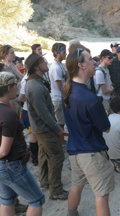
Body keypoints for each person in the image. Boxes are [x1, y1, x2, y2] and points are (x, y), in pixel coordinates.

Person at [62, 48, 114, 216]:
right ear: (81, 65)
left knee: (77, 185)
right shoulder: (90, 98)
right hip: (91, 153)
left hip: (74, 150)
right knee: (101, 195)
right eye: (90, 59)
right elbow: (106, 127)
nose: (95, 61)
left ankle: (71, 213)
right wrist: (103, 114)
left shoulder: (67, 91)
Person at [0, 72, 45, 216]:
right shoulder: (8, 114)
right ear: (8, 87)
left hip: (3, 166)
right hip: (11, 165)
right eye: (16, 85)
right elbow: (3, 151)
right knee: (36, 200)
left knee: (7, 200)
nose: (18, 88)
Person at [25, 53, 68, 200]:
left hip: (41, 128)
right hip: (44, 129)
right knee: (57, 155)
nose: (46, 63)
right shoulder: (35, 87)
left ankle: (44, 181)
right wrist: (57, 129)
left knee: (44, 154)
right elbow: (43, 113)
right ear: (36, 67)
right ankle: (56, 190)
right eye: (43, 61)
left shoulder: (35, 82)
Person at [49, 43, 67, 146]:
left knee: (62, 121)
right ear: (57, 53)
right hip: (59, 99)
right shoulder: (56, 68)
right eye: (63, 52)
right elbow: (61, 87)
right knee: (60, 122)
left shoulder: (61, 65)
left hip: (62, 98)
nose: (65, 54)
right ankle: (61, 142)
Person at [0, 45, 24, 116]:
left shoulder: (12, 65)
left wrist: (13, 68)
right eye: (12, 53)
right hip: (11, 99)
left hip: (17, 96)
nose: (14, 55)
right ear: (5, 55)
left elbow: (22, 78)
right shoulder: (2, 67)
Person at [94, 49, 114, 114]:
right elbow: (104, 91)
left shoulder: (106, 69)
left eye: (112, 58)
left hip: (108, 98)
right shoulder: (99, 72)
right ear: (103, 58)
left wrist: (111, 86)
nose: (112, 60)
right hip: (102, 99)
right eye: (109, 58)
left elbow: (109, 81)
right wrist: (112, 90)